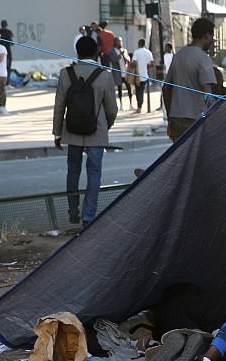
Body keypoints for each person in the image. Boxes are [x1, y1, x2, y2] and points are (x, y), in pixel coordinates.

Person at [52, 36, 118, 227]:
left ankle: (73, 210)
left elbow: (59, 106)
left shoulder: (66, 74)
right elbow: (112, 109)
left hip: (72, 131)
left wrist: (58, 132)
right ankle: (88, 216)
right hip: (96, 133)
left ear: (77, 52)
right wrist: (107, 125)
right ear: (96, 52)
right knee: (94, 173)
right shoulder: (104, 75)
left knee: (73, 171)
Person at [163, 18, 215, 141]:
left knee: (180, 157)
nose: (212, 41)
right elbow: (207, 93)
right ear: (207, 36)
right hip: (196, 119)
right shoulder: (203, 58)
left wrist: (170, 116)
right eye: (212, 37)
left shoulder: (179, 55)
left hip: (176, 119)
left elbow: (165, 88)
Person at [131, 38, 154, 113]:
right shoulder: (148, 52)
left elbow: (134, 62)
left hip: (137, 75)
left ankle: (139, 107)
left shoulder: (136, 52)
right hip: (145, 75)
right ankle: (140, 106)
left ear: (139, 44)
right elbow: (151, 63)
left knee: (138, 91)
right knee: (142, 91)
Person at [111, 36, 133, 109]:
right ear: (115, 42)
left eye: (121, 41)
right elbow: (113, 61)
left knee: (129, 88)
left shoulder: (124, 50)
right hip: (118, 72)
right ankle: (121, 104)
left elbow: (128, 59)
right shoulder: (112, 50)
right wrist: (120, 54)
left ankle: (131, 103)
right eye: (119, 41)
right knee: (119, 88)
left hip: (125, 72)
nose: (120, 43)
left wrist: (124, 55)